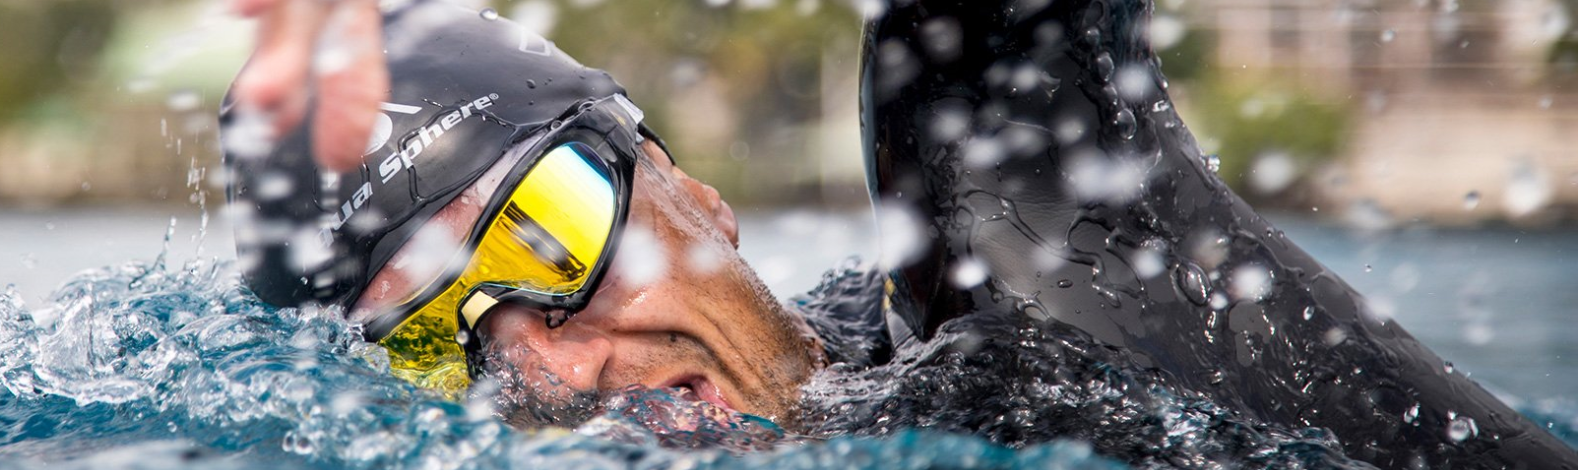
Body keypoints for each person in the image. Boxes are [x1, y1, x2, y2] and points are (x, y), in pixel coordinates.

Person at [219, 0, 1578, 467]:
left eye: (551, 228)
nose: (554, 368)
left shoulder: (1028, 281)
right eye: (434, 340)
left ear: (685, 184)